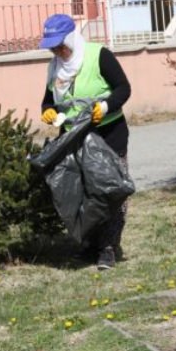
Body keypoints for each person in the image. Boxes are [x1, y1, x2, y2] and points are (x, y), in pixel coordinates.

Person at [38, 14, 132, 270]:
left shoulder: (99, 56)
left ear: (71, 38)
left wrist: (105, 105)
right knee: (83, 193)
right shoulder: (56, 67)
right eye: (52, 46)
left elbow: (123, 88)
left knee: (111, 192)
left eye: (60, 44)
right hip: (74, 138)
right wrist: (47, 110)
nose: (57, 50)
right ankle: (90, 244)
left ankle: (109, 248)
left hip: (108, 134)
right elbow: (49, 99)